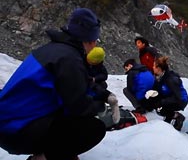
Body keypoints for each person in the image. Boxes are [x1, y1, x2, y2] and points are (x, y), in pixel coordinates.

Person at [0, 8, 110, 160]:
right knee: (92, 129)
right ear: (90, 40)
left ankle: (52, 152)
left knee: (66, 117)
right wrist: (99, 105)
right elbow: (78, 107)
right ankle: (44, 157)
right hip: (16, 132)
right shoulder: (69, 59)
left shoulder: (52, 50)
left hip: (8, 125)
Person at [152, 56, 188, 131]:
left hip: (181, 100)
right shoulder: (159, 77)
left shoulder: (170, 79)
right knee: (158, 107)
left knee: (162, 109)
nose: (152, 67)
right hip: (170, 97)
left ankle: (178, 117)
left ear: (158, 68)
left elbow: (178, 96)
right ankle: (169, 119)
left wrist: (162, 102)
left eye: (154, 66)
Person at [86, 46, 120, 126]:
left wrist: (95, 78)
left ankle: (107, 99)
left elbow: (104, 75)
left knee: (98, 89)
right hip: (89, 87)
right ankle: (107, 99)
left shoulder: (99, 65)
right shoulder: (82, 62)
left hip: (96, 86)